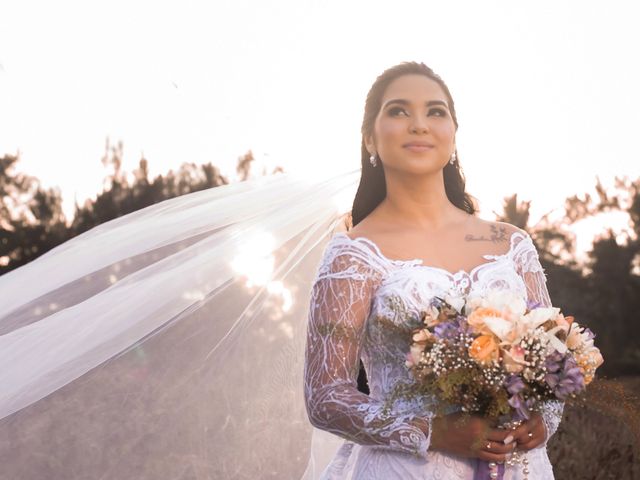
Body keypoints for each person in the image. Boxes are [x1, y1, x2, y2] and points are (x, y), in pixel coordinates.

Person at [303, 62, 563, 479]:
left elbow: (554, 358)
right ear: (370, 137)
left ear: (454, 135)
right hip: (406, 468)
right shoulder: (352, 255)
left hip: (518, 466)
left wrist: (542, 420)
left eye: (436, 112)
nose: (419, 124)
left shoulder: (511, 244)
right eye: (399, 111)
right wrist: (432, 430)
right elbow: (325, 397)